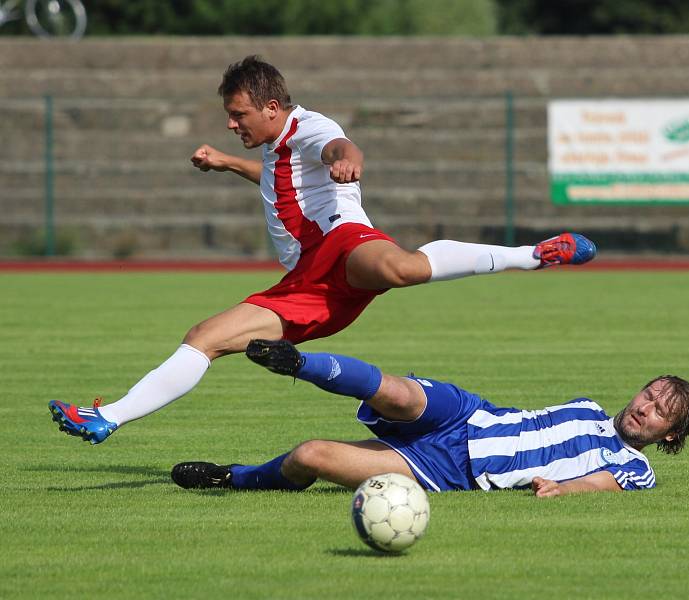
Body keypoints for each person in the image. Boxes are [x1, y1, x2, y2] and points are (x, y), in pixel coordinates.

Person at [48, 55, 597, 445]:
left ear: (270, 107)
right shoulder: (272, 148)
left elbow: (338, 145)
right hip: (305, 285)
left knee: (402, 268)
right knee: (203, 337)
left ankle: (534, 253)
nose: (230, 122)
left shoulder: (312, 128)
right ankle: (107, 418)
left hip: (342, 243)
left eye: (238, 114)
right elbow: (278, 183)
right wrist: (227, 162)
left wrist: (348, 158)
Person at [171, 339, 689, 496]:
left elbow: (602, 484)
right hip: (472, 415)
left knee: (312, 456)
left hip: (451, 471)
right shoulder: (587, 406)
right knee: (396, 394)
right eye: (648, 393)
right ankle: (297, 360)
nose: (643, 405)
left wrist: (565, 492)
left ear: (669, 434)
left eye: (659, 410)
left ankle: (230, 477)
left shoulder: (637, 468)